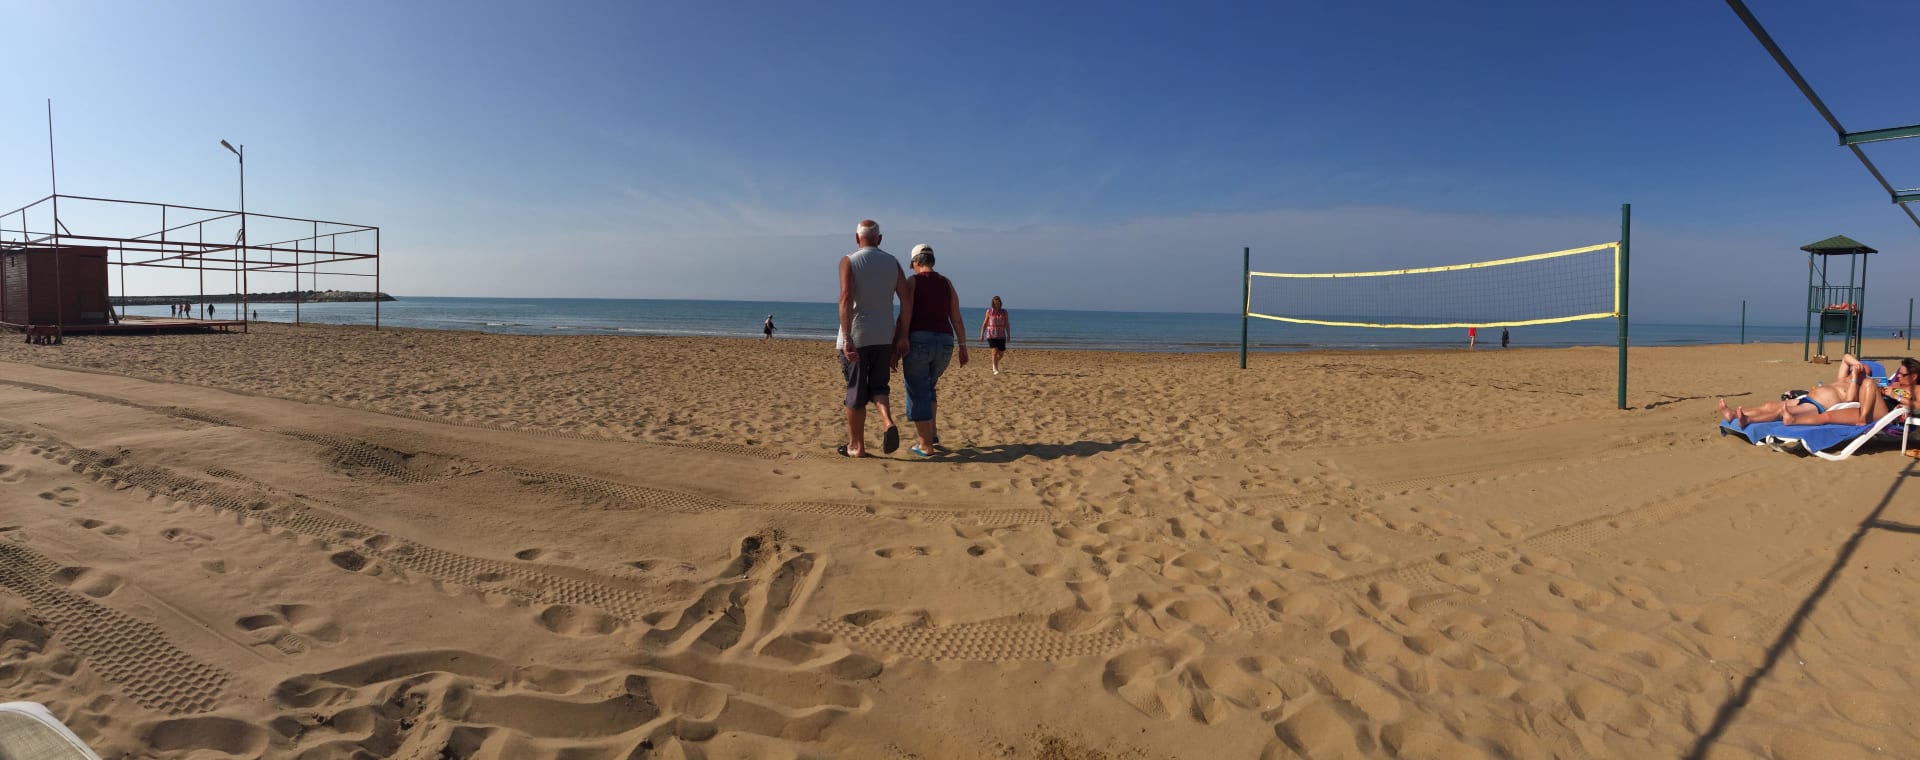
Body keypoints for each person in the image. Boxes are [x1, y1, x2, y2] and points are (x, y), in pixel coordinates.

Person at [836, 219, 912, 458]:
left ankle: (856, 446)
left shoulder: (849, 261)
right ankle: (887, 421)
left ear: (857, 238)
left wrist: (847, 337)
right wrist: (902, 335)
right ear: (879, 239)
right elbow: (906, 300)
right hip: (884, 336)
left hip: (858, 335)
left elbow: (846, 297)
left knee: (855, 393)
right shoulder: (893, 262)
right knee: (879, 386)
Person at [900, 244, 968, 457]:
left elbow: (906, 313)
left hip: (920, 340)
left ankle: (925, 445)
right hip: (945, 342)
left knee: (917, 389)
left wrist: (901, 338)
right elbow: (956, 318)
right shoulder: (946, 283)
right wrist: (963, 346)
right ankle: (933, 434)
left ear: (916, 262)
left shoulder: (913, 282)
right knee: (929, 386)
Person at [1779, 357, 1917, 428]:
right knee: (1827, 416)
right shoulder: (1894, 383)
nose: (1899, 376)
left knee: (1868, 382)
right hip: (1867, 406)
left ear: (1914, 376)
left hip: (1884, 412)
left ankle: (1863, 419)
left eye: (1903, 374)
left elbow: (1917, 406)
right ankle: (1793, 420)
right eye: (1899, 373)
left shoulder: (1917, 389)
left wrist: (1895, 396)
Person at [981, 296, 1012, 375]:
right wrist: (982, 334)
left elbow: (1007, 324)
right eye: (995, 303)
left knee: (1001, 354)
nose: (996, 304)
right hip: (991, 334)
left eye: (998, 303)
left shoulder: (1004, 312)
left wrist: (1008, 335)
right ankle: (995, 368)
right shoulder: (989, 311)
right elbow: (985, 323)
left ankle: (994, 363)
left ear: (1000, 303)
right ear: (993, 303)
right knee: (994, 352)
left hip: (1001, 335)